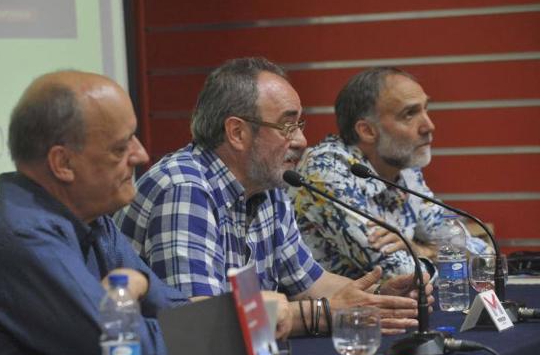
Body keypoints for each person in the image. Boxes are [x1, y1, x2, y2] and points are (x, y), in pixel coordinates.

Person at [117, 58, 432, 338]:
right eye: (287, 125)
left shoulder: (269, 186)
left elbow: (312, 283)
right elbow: (203, 322)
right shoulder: (184, 188)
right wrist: (324, 315)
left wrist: (378, 296)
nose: (301, 140)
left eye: (300, 124)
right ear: (237, 133)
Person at [0, 71, 188, 355]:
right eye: (120, 148)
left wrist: (141, 283)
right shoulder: (18, 239)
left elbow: (178, 310)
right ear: (62, 164)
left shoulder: (93, 219)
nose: (141, 154)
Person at [288, 67, 489, 280]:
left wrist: (420, 250)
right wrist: (437, 254)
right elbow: (400, 273)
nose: (429, 126)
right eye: (409, 114)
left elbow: (482, 254)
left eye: (425, 109)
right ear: (367, 131)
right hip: (333, 310)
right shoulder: (326, 170)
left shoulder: (404, 168)